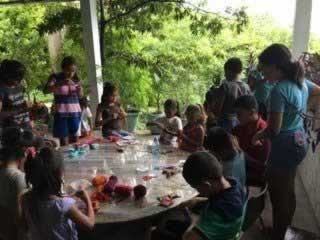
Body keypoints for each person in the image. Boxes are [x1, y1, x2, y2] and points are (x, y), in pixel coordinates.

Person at [252, 43, 320, 240]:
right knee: (288, 191)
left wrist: (258, 135)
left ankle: (278, 234)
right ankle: (284, 229)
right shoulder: (301, 82)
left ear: (275, 66)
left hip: (284, 146)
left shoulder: (279, 90)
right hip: (299, 142)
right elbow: (318, 91)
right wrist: (307, 107)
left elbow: (274, 129)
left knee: (278, 195)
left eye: (264, 67)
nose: (263, 73)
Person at [21, 147, 95, 239]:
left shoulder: (25, 198)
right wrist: (87, 199)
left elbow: (25, 226)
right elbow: (89, 224)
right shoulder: (63, 205)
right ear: (59, 174)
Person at [182, 151, 246, 240]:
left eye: (197, 188)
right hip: (229, 232)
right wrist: (197, 200)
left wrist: (192, 219)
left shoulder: (217, 213)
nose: (198, 191)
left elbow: (189, 238)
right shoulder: (234, 183)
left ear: (207, 185)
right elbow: (220, 199)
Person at [44, 56, 83, 146]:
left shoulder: (76, 79)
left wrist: (80, 90)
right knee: (64, 141)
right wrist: (61, 83)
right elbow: (46, 90)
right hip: (61, 112)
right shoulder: (55, 77)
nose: (70, 74)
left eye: (73, 71)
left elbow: (80, 96)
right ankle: (65, 160)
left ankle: (77, 159)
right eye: (68, 70)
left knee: (75, 141)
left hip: (75, 112)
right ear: (63, 68)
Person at [233, 95, 271, 185]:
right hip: (240, 167)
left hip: (255, 174)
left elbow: (263, 167)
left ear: (252, 112)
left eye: (239, 114)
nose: (237, 117)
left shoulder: (264, 131)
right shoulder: (238, 128)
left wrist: (242, 155)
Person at [213, 58, 251, 131]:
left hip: (226, 125)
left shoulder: (225, 86)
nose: (224, 74)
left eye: (225, 71)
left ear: (229, 71)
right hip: (243, 124)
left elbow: (217, 111)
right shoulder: (247, 87)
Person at [0, 147, 26, 240]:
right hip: (12, 224)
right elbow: (18, 206)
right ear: (20, 159)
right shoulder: (18, 177)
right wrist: (22, 227)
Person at [0, 60, 31, 132]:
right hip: (11, 132)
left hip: (25, 127)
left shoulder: (19, 86)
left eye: (21, 78)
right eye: (17, 78)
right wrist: (20, 108)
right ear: (7, 76)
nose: (20, 81)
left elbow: (21, 105)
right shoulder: (1, 90)